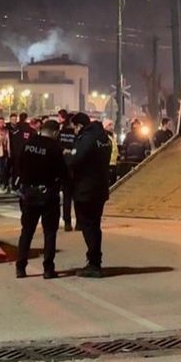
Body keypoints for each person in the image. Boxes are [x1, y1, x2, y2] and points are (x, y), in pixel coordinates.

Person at [15, 120, 68, 279]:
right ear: (55, 132)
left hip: (28, 193)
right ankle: (48, 269)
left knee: (27, 232)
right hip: (48, 194)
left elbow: (18, 165)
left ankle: (20, 267)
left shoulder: (28, 144)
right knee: (50, 233)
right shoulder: (54, 148)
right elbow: (62, 172)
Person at [66, 113, 112, 278]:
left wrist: (67, 155)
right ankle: (95, 260)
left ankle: (94, 263)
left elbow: (75, 159)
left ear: (79, 125)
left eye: (75, 128)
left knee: (88, 226)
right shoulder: (104, 138)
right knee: (95, 224)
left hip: (85, 188)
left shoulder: (87, 138)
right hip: (100, 187)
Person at [57, 110, 76, 231]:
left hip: (64, 167)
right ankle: (79, 223)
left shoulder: (61, 132)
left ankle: (67, 222)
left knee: (67, 197)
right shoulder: (77, 134)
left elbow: (57, 146)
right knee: (77, 197)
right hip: (76, 167)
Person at [104, 120, 120, 185]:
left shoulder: (113, 137)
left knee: (113, 182)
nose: (111, 127)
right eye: (109, 125)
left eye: (112, 125)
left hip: (113, 163)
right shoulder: (105, 137)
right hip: (108, 163)